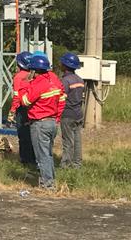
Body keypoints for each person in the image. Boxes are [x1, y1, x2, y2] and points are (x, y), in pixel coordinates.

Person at [19, 52, 66, 190]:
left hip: (40, 123)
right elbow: (62, 100)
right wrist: (57, 117)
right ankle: (49, 180)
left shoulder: (39, 84)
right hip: (52, 122)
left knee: (42, 156)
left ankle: (47, 184)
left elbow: (25, 101)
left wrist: (23, 88)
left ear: (34, 70)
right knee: (48, 154)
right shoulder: (53, 82)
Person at [7, 50, 35, 166]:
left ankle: (25, 160)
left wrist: (12, 112)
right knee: (32, 135)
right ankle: (33, 159)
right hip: (32, 109)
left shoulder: (18, 77)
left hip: (22, 109)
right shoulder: (33, 76)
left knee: (23, 135)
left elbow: (16, 96)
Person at [59, 52, 86, 168]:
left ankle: (65, 164)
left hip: (67, 114)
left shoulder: (65, 81)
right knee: (77, 140)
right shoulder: (80, 80)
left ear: (65, 66)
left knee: (68, 141)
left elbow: (61, 98)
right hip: (79, 113)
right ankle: (77, 164)